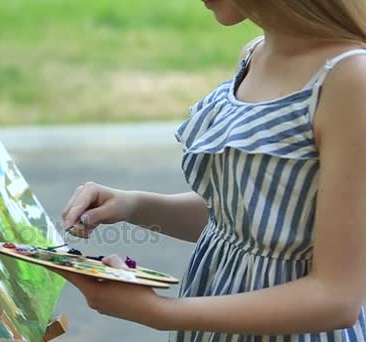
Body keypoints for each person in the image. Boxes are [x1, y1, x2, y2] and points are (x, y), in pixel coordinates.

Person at [54, 0, 366, 340]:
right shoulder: (255, 54)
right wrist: (134, 205)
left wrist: (159, 312)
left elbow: (336, 298)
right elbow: (248, 223)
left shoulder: (349, 81)